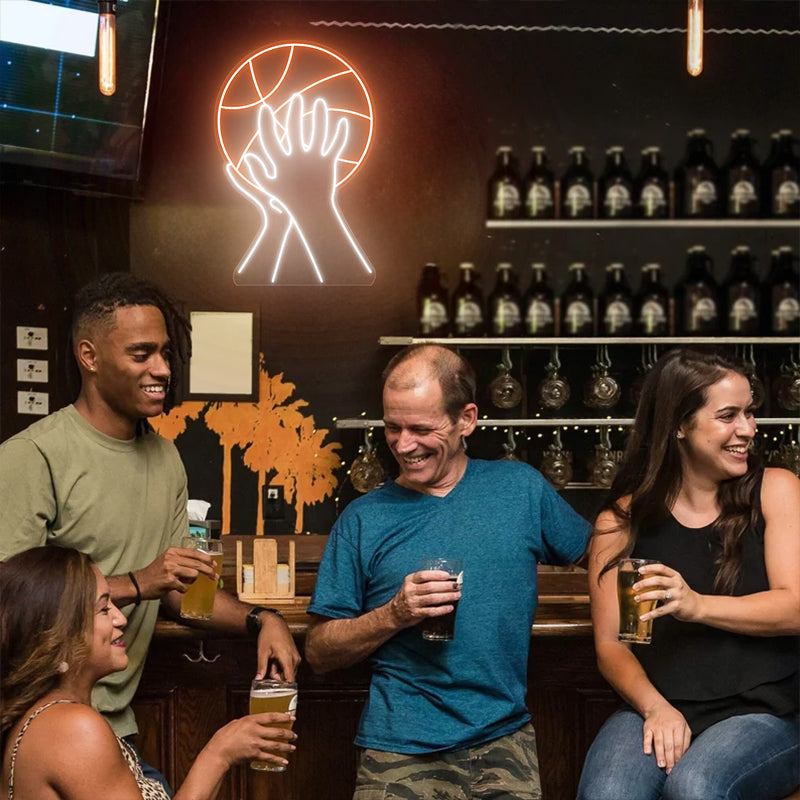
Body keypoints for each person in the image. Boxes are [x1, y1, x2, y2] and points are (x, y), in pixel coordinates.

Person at [0, 273, 301, 788]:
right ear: (89, 356)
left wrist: (261, 619)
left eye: (165, 352)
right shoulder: (32, 456)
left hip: (116, 725)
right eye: (142, 354)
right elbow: (14, 603)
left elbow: (185, 594)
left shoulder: (166, 458)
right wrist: (140, 581)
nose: (162, 368)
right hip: (45, 729)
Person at [305, 343, 591, 800]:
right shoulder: (363, 518)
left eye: (421, 428)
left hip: (504, 740)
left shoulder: (520, 490)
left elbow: (603, 558)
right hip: (398, 748)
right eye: (392, 427)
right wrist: (394, 614)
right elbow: (319, 652)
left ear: (467, 420)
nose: (403, 444)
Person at [576, 347, 800, 800]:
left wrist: (695, 605)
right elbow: (611, 645)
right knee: (607, 794)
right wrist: (656, 708)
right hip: (658, 702)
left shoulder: (776, 489)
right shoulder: (621, 520)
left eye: (749, 414)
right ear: (679, 424)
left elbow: (795, 607)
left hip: (768, 708)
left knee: (695, 787)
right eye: (728, 416)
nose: (747, 430)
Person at [0, 546, 298, 799]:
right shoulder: (73, 728)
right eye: (104, 609)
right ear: (60, 634)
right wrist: (220, 752)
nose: (120, 618)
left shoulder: (56, 715)